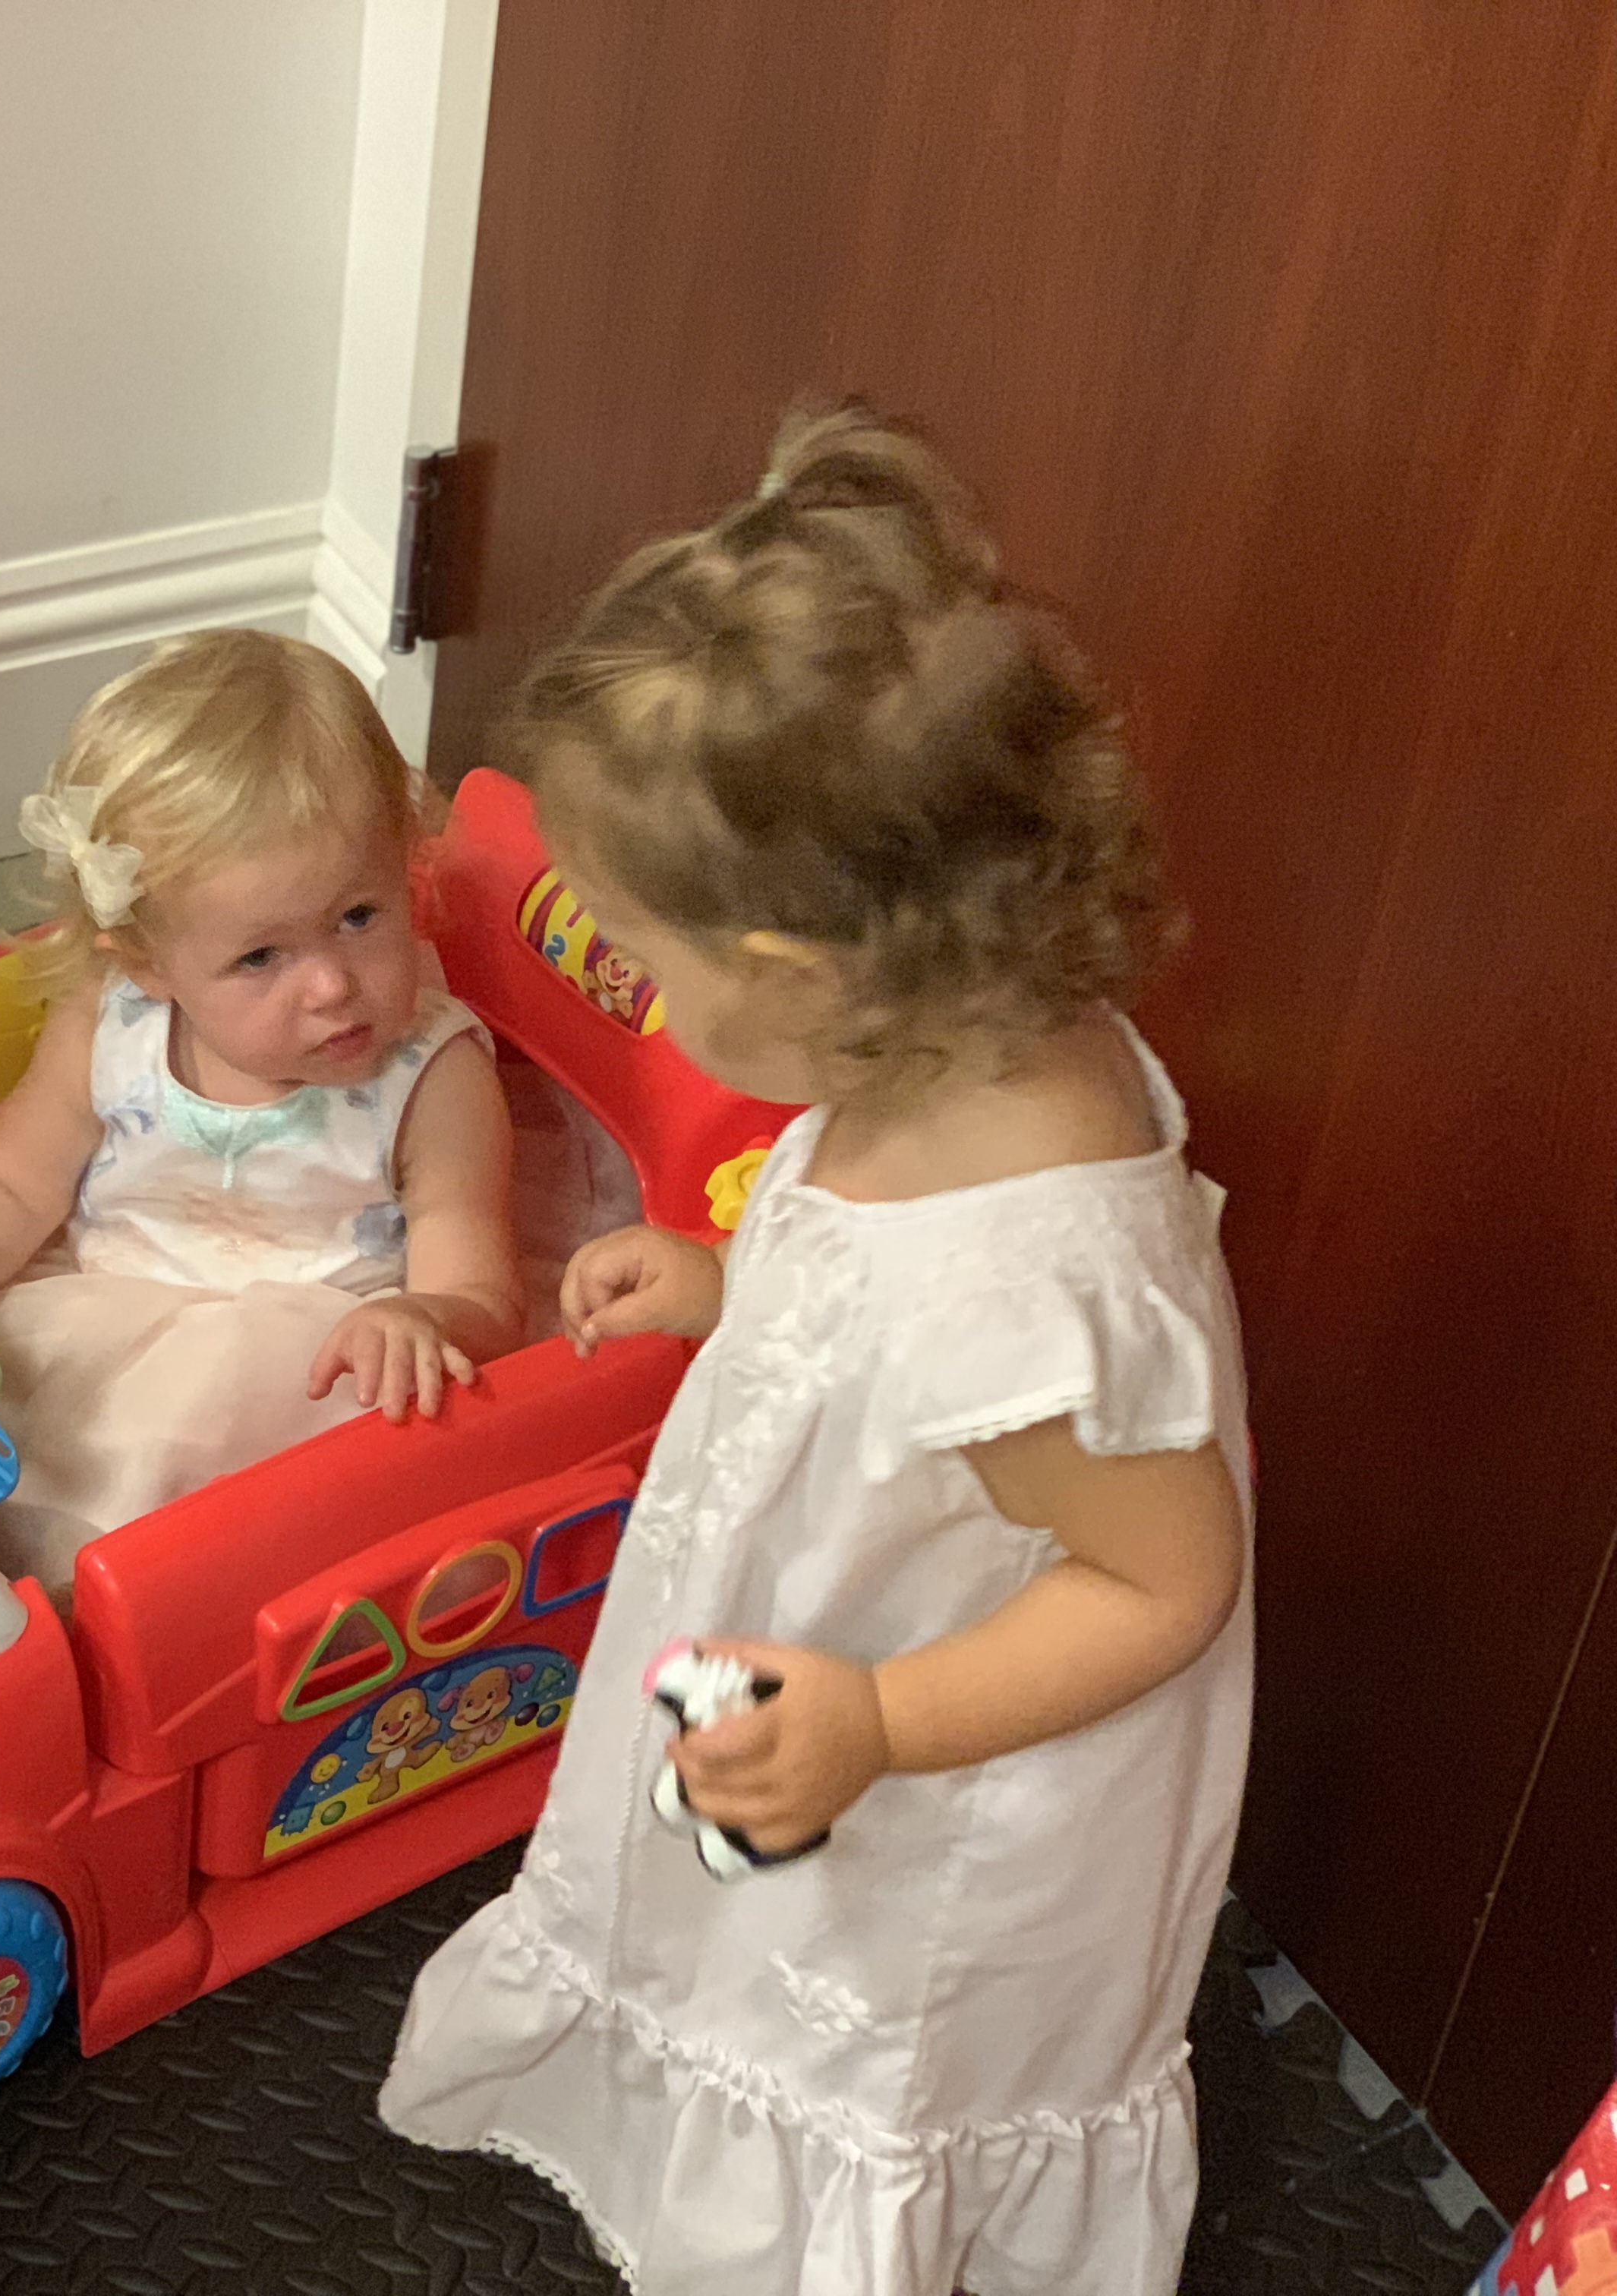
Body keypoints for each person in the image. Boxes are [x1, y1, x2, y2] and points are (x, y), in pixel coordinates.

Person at [377, 407, 1251, 2294]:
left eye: (644, 962)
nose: (637, 998)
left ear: (791, 978)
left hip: (946, 1748)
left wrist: (878, 1725)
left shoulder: (1027, 1290)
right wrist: (727, 1288)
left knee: (863, 1993)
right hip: (832, 1637)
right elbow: (858, 1263)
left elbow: (1163, 1580)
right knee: (751, 1912)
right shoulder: (943, 1046)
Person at [0, 629, 522, 1604]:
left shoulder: (430, 1075)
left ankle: (95, 1637)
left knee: (183, 1530)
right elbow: (10, 1182)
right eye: (260, 958)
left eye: (360, 916)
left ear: (404, 866)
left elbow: (482, 1290)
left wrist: (423, 1315)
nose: (330, 985)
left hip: (308, 1373)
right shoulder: (114, 1028)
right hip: (104, 1320)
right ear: (147, 963)